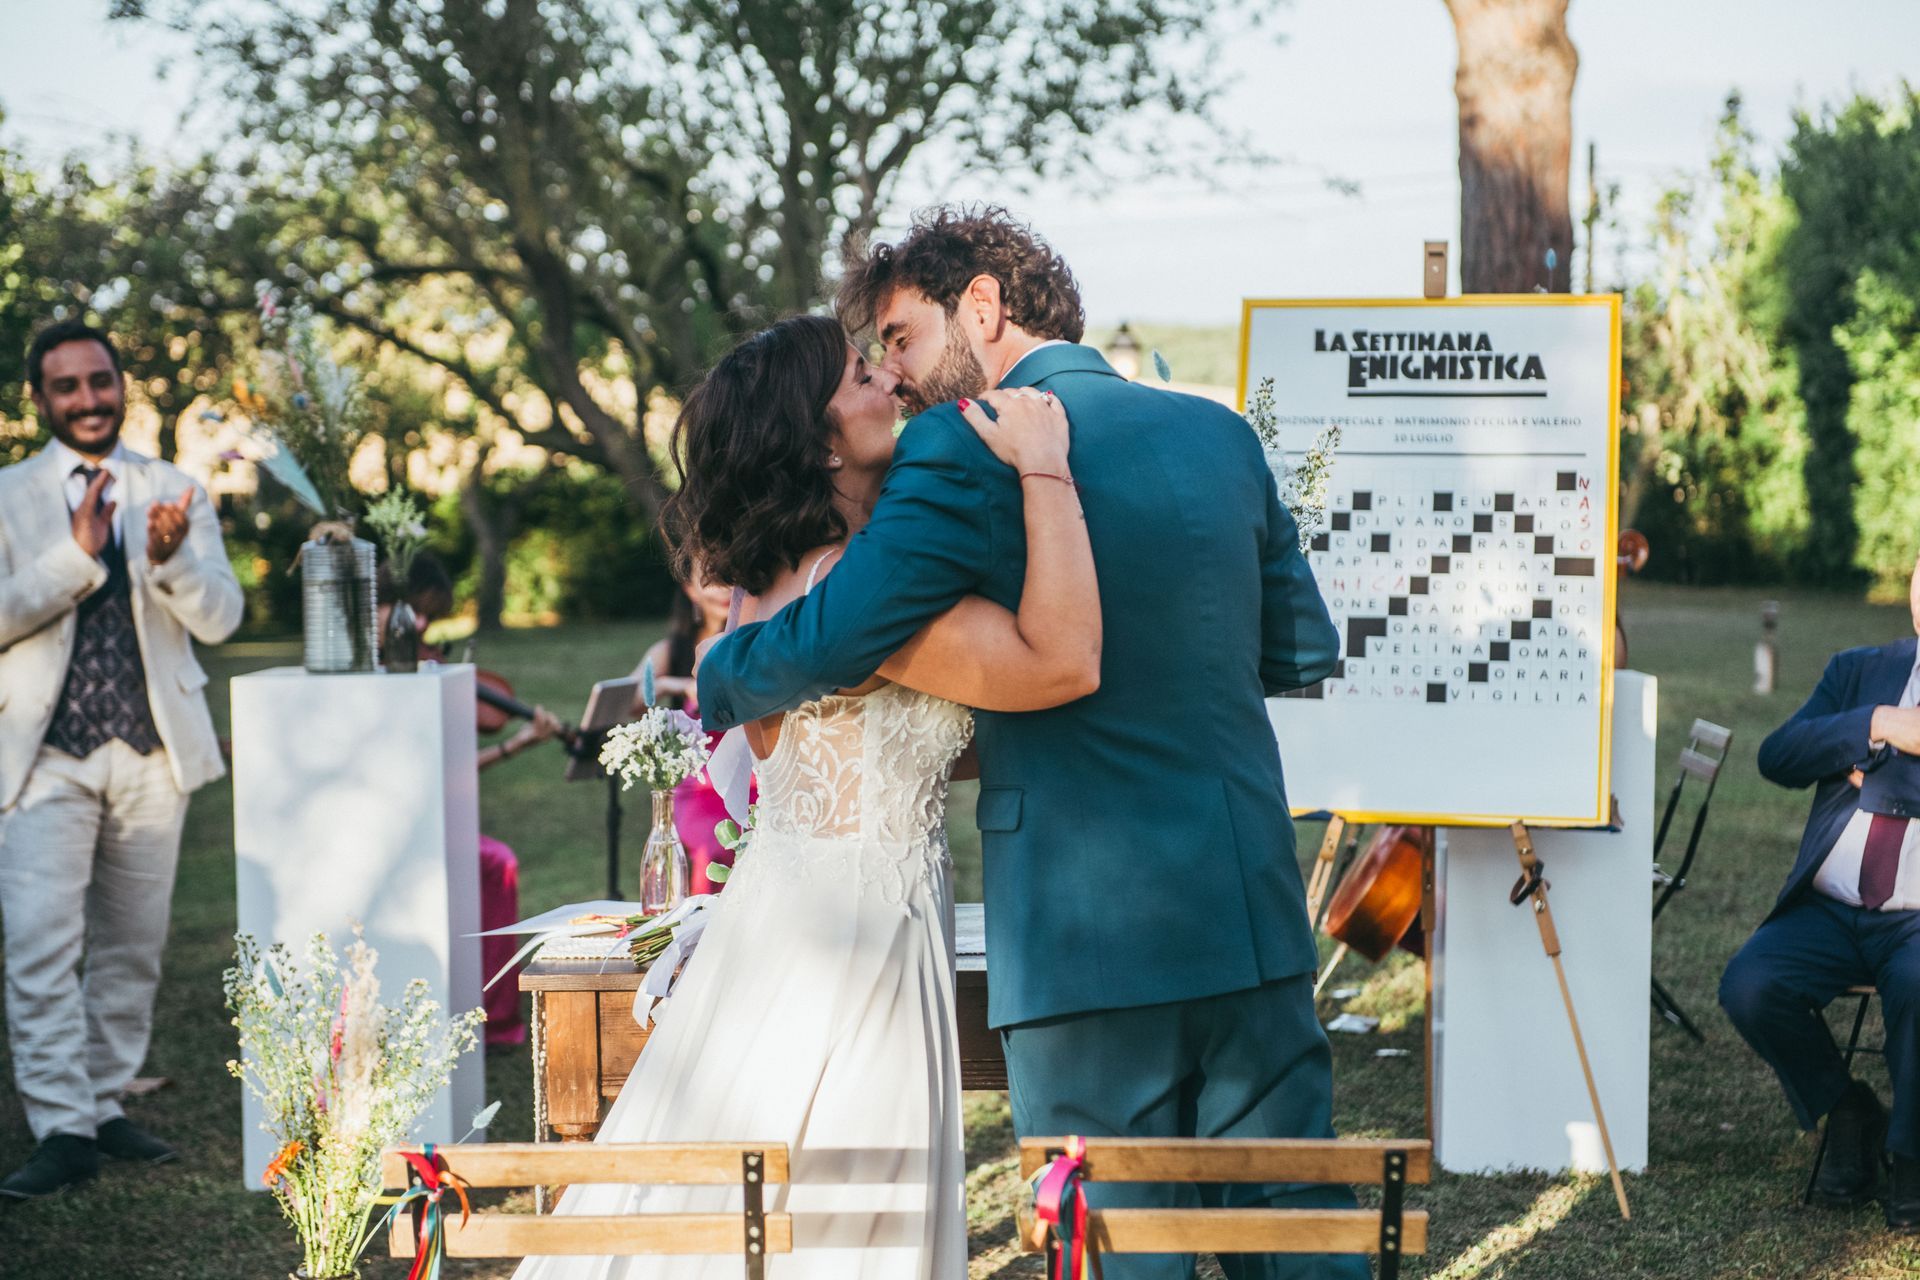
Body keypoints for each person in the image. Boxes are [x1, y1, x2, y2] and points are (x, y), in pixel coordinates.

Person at [697, 207, 1364, 1280]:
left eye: (902, 339)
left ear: (985, 307)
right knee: (1292, 1234)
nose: (898, 377)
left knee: (1112, 1242)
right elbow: (1294, 650)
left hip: (1082, 925)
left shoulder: (961, 452)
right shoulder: (1222, 435)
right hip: (1249, 903)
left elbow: (842, 627)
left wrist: (724, 674)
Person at [514, 312, 1098, 1280]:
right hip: (851, 942)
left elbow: (892, 741)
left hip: (801, 913)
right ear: (822, 441)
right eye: (858, 376)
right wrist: (1044, 469)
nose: (886, 381)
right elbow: (1055, 662)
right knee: (837, 1216)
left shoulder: (772, 583)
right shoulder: (850, 593)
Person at [0, 320, 243, 1199]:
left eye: (100, 381)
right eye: (67, 387)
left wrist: (172, 562)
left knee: (134, 947)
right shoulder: (8, 497)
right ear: (41, 399)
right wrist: (74, 558)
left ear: (121, 384)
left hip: (152, 753)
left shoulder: (176, 488)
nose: (89, 400)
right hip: (40, 759)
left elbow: (222, 618)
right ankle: (61, 1127)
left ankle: (104, 1103)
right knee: (39, 945)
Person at [1722, 548, 1920, 1230]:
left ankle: (1911, 1157)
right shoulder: (1859, 670)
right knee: (1750, 983)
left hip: (1916, 919)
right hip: (1831, 908)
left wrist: (1869, 773)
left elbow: (1875, 780)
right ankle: (1849, 1110)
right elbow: (1779, 755)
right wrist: (1875, 727)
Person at [381, 551, 564, 1047]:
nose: (419, 627)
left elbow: (446, 767)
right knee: (494, 862)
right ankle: (495, 1018)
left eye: (428, 617)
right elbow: (437, 773)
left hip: (430, 817)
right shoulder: (381, 684)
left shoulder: (424, 670)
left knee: (496, 864)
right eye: (410, 611)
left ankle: (496, 1018)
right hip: (392, 827)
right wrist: (516, 744)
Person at [630, 566, 744, 893]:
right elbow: (630, 697)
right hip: (699, 791)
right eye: (714, 581)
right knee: (714, 844)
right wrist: (671, 683)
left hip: (750, 783)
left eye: (732, 580)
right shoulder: (674, 650)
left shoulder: (746, 642)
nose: (725, 590)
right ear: (691, 590)